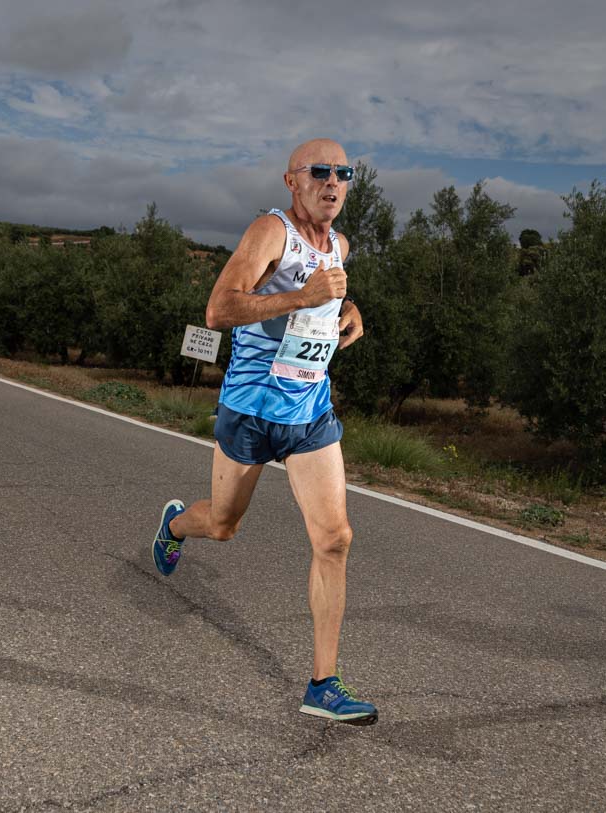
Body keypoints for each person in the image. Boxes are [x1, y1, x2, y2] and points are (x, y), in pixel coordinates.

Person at [151, 138, 375, 724]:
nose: (333, 182)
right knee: (222, 526)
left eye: (343, 173)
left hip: (310, 412)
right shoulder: (269, 232)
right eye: (320, 172)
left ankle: (323, 685)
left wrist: (349, 315)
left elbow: (326, 305)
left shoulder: (341, 245)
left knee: (335, 539)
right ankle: (175, 525)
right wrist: (302, 296)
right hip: (250, 408)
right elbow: (218, 310)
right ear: (291, 181)